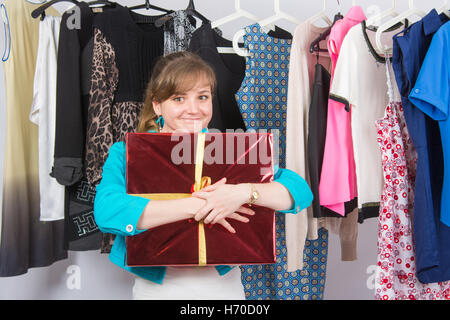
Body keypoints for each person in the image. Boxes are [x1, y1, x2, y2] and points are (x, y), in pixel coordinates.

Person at [94, 51, 313, 300]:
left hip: (225, 290)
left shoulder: (230, 151)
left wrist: (241, 193)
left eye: (203, 97)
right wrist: (202, 204)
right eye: (178, 99)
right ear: (157, 105)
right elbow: (107, 211)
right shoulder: (126, 153)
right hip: (156, 292)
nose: (194, 109)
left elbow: (299, 190)